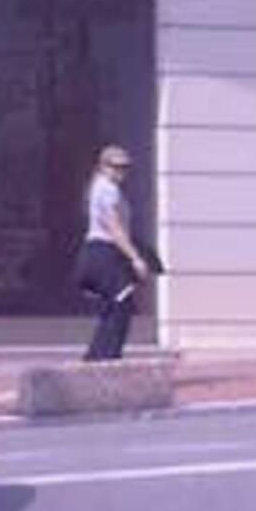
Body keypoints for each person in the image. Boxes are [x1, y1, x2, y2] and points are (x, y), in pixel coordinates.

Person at [74, 143, 153, 363]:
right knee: (121, 305)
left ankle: (96, 359)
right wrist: (135, 258)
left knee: (114, 308)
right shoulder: (106, 189)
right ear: (102, 166)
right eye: (115, 166)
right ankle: (107, 358)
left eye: (124, 167)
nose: (120, 171)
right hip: (104, 252)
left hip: (100, 252)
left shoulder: (102, 188)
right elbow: (113, 227)